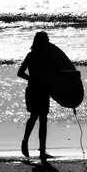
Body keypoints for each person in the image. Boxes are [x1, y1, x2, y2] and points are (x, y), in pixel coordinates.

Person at [16, 30, 54, 164]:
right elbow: (20, 73)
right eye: (46, 40)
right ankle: (25, 141)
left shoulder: (43, 56)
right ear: (41, 42)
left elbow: (21, 73)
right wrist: (32, 79)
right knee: (35, 117)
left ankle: (42, 150)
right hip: (36, 90)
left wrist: (32, 79)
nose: (48, 42)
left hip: (41, 90)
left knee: (42, 119)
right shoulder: (34, 56)